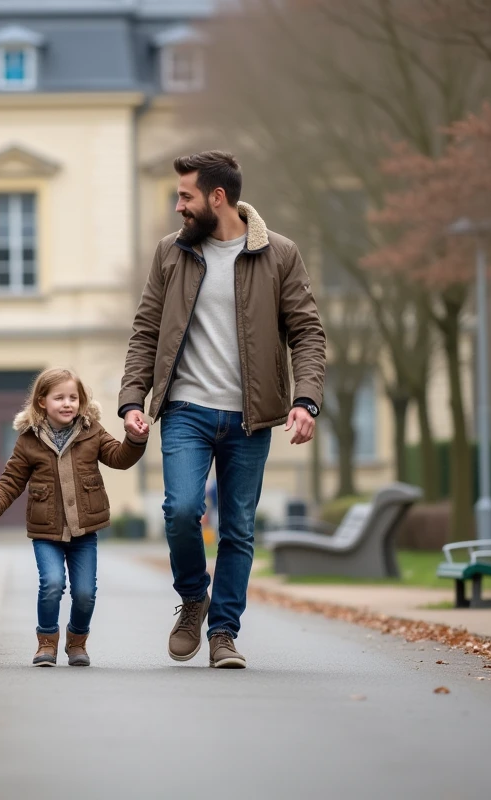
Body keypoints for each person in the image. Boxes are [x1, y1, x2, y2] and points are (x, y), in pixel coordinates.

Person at [119, 151, 326, 669]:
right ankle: (193, 599)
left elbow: (306, 331)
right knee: (183, 510)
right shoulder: (172, 253)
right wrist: (131, 400)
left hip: (250, 417)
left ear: (218, 198)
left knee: (237, 529)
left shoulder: (279, 254)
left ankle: (223, 634)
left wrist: (306, 400)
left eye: (186, 196)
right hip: (186, 408)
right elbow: (146, 330)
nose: (177, 206)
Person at [0, 367, 147, 667]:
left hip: (85, 531)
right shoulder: (29, 440)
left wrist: (135, 440)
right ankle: (46, 643)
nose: (67, 404)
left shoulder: (92, 432)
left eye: (73, 398)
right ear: (42, 402)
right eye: (59, 398)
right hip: (46, 532)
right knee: (51, 584)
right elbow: (11, 480)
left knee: (85, 592)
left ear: (82, 401)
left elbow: (119, 458)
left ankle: (77, 642)